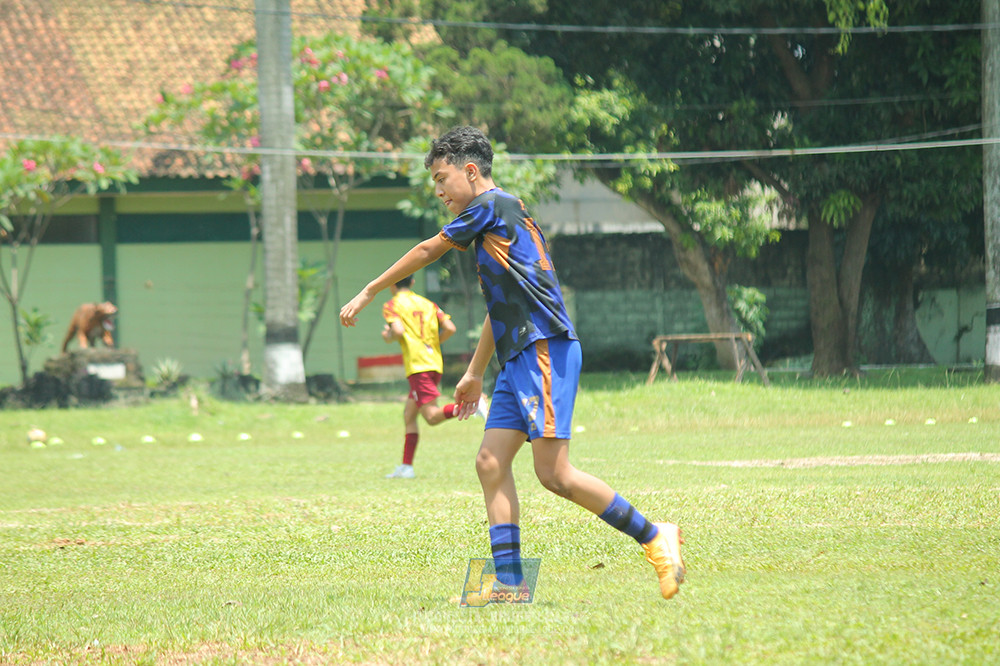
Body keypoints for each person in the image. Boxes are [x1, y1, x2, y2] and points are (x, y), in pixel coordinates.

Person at [340, 125, 685, 599]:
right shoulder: (498, 223)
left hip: (544, 348)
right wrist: (475, 372)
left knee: (555, 474)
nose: (438, 191)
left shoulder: (493, 205)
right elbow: (499, 308)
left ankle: (654, 535)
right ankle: (509, 583)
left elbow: (428, 249)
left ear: (470, 171)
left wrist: (369, 290)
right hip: (518, 355)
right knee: (490, 462)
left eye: (441, 178)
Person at [381, 274, 486, 479]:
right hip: (434, 362)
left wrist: (388, 335)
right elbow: (450, 328)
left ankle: (470, 405)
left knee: (431, 417)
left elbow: (398, 332)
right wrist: (433, 343)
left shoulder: (392, 305)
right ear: (412, 282)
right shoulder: (428, 303)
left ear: (392, 284)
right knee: (409, 415)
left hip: (418, 366)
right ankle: (406, 467)